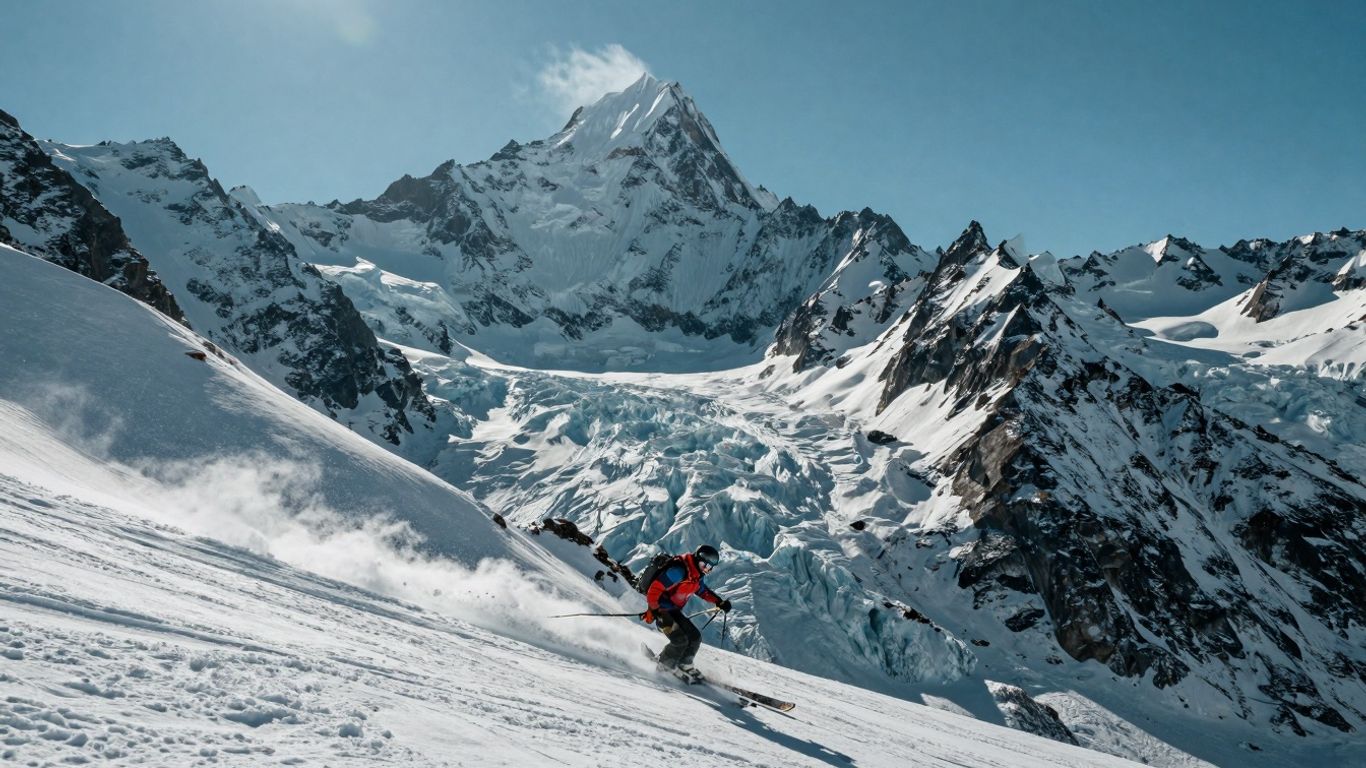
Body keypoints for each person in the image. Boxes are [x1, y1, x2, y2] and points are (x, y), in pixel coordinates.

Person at [641, 544, 732, 683]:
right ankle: (665, 666)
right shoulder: (678, 571)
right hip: (660, 609)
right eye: (705, 565)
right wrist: (653, 610)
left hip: (672, 609)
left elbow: (702, 591)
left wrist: (719, 601)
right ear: (697, 559)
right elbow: (654, 590)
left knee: (694, 637)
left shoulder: (696, 575)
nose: (707, 569)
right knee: (680, 640)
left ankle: (685, 664)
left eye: (710, 567)